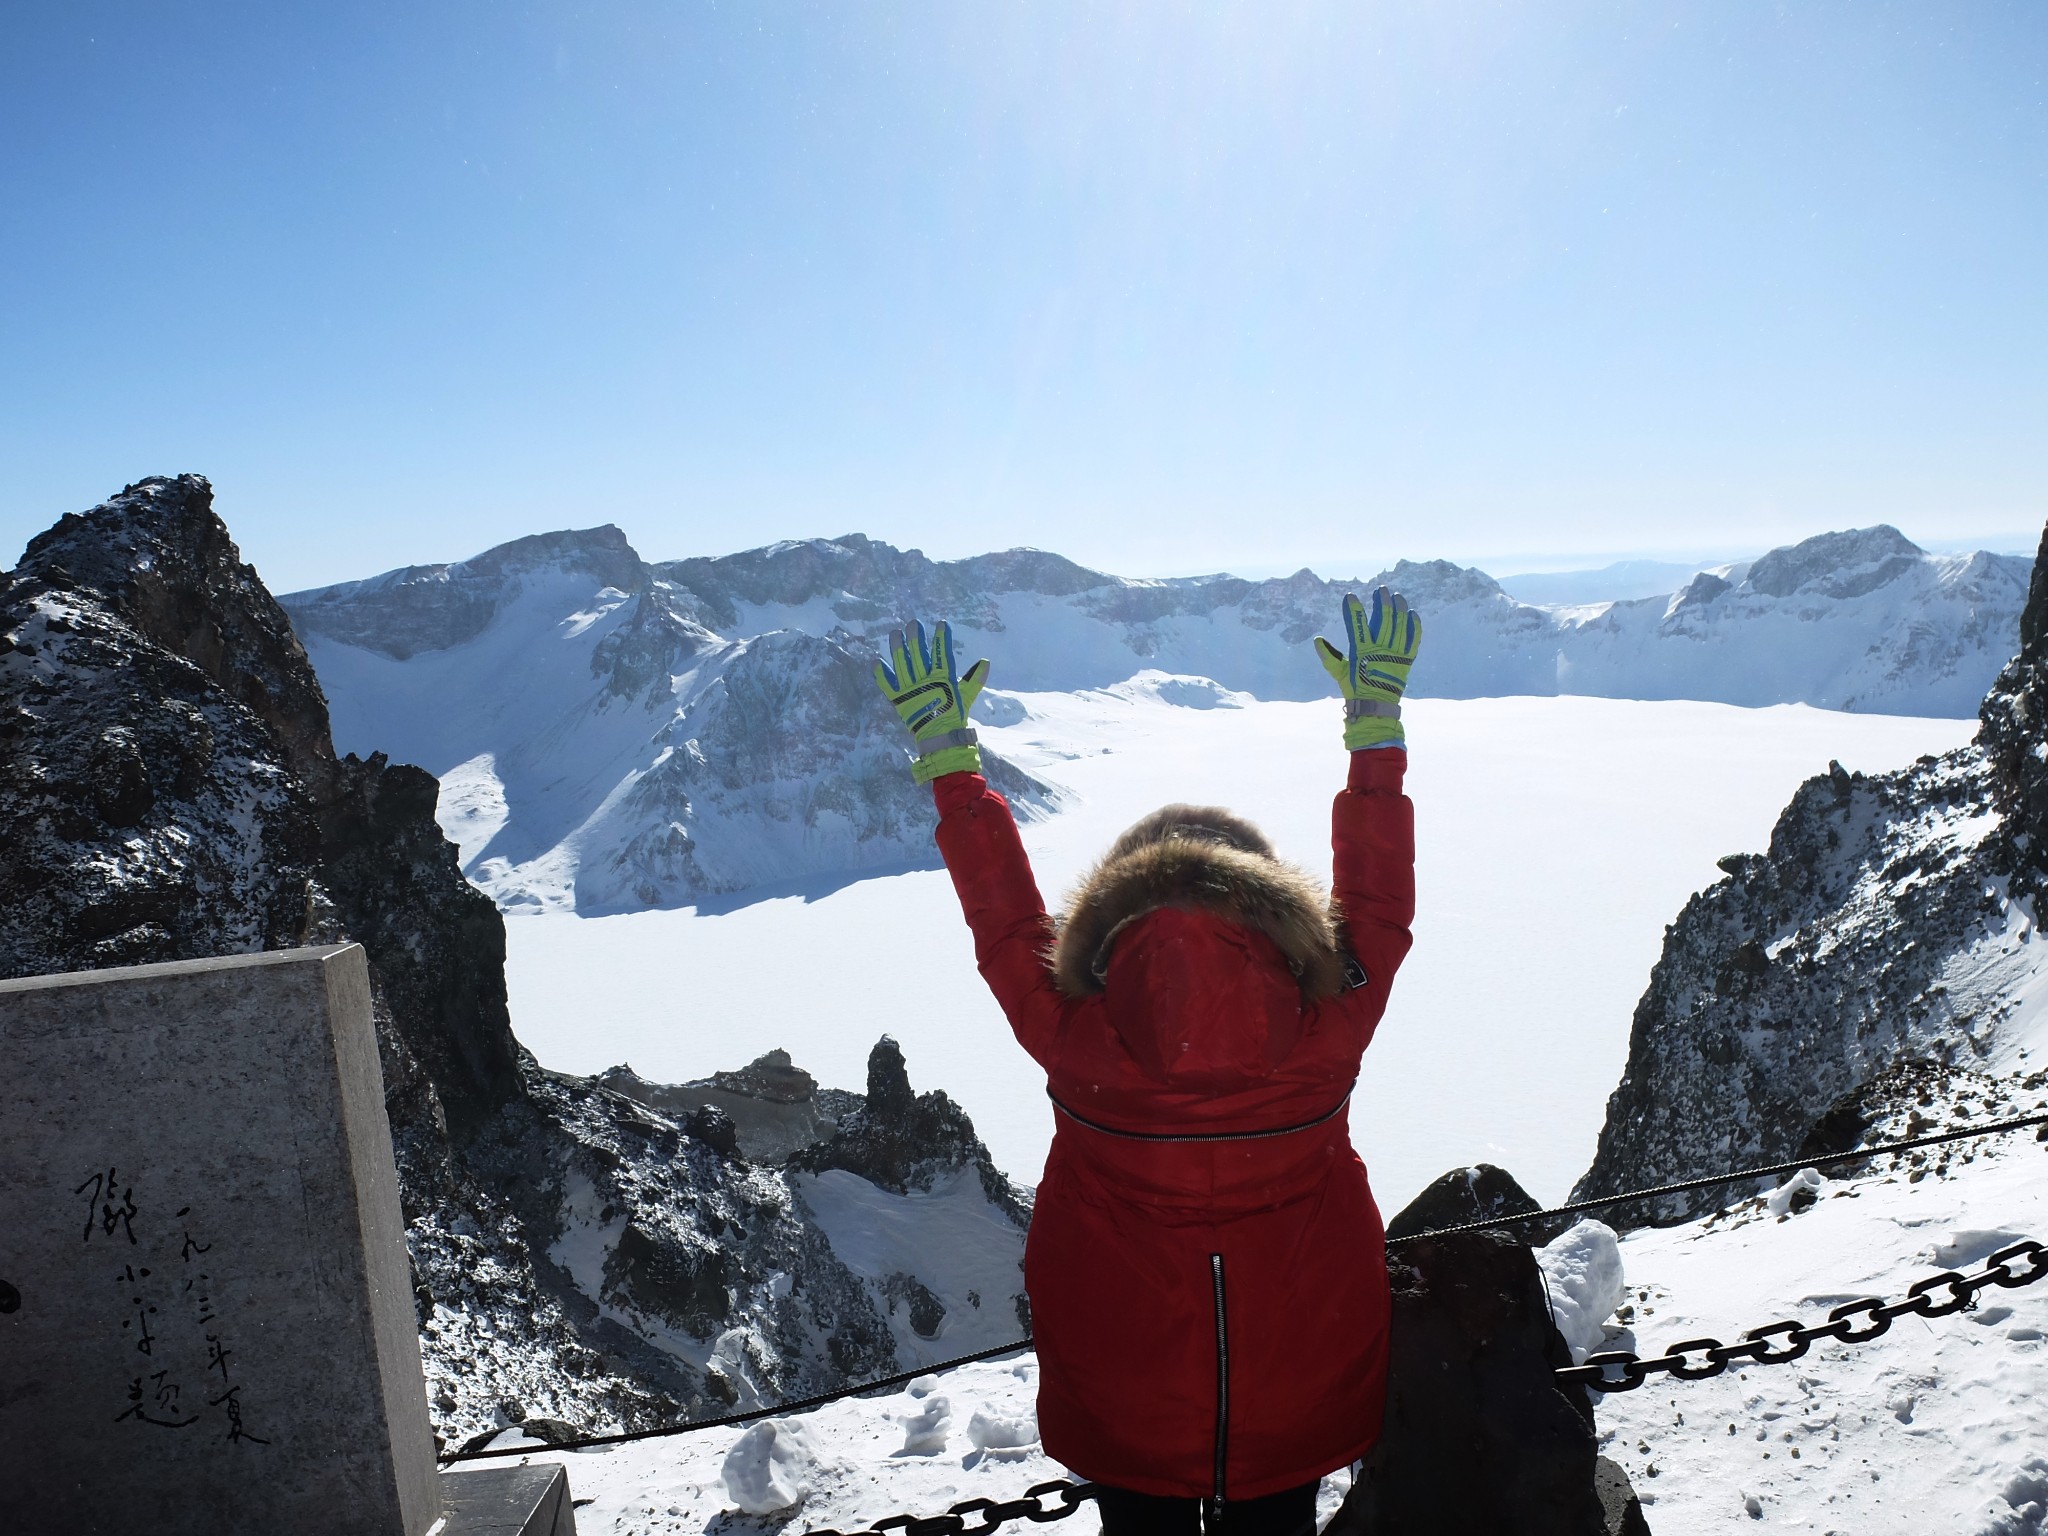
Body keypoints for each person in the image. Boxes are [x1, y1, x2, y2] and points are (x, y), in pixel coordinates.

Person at [872, 590, 1421, 1536]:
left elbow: (1004, 925)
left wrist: (952, 771)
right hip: (1290, 1367)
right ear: (1274, 902)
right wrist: (1374, 735)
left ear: (1115, 911)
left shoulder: (1077, 1033)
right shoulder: (1327, 1019)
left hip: (1127, 1375)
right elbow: (1379, 908)